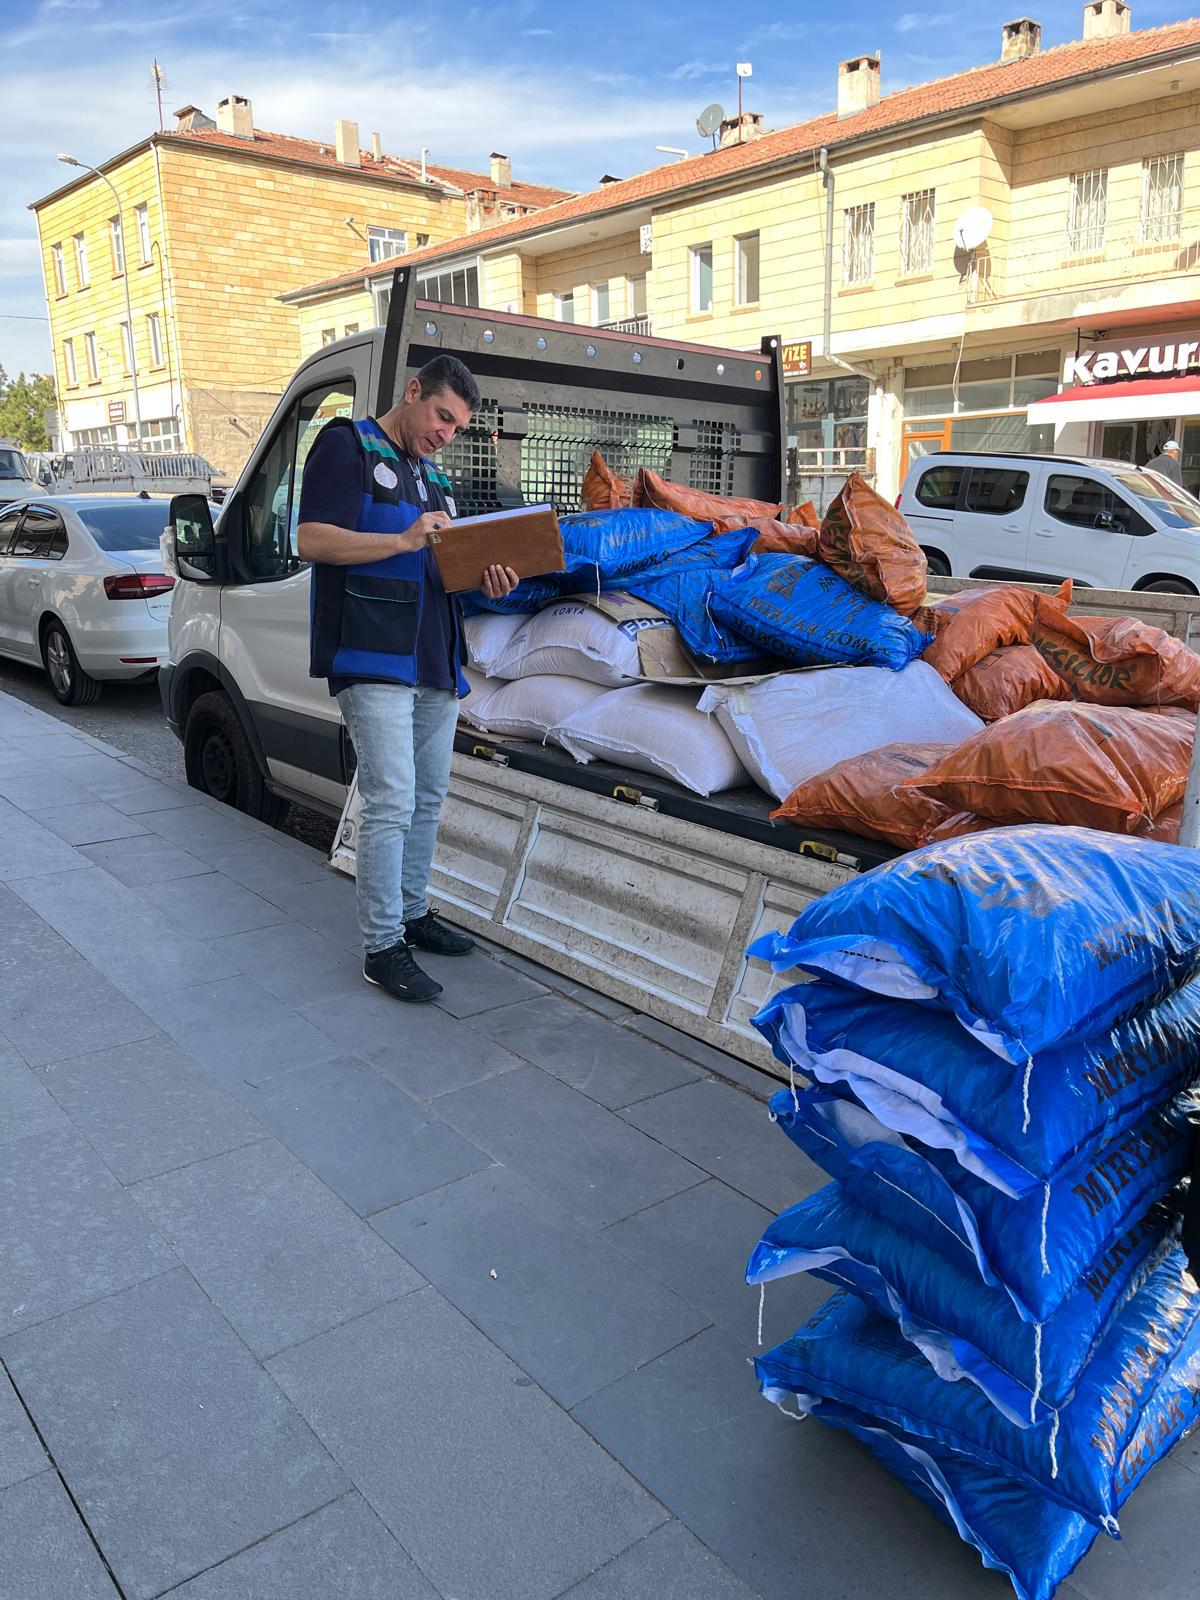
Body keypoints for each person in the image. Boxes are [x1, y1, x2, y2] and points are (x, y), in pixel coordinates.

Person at [297, 356, 518, 1003]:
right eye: (442, 417)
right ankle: (382, 945)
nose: (446, 433)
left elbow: (441, 570)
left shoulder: (437, 481)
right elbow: (312, 539)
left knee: (428, 796)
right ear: (413, 392)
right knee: (391, 799)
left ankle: (414, 914)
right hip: (372, 656)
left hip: (433, 660)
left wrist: (487, 578)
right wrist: (399, 542)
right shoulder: (348, 447)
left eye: (457, 427)